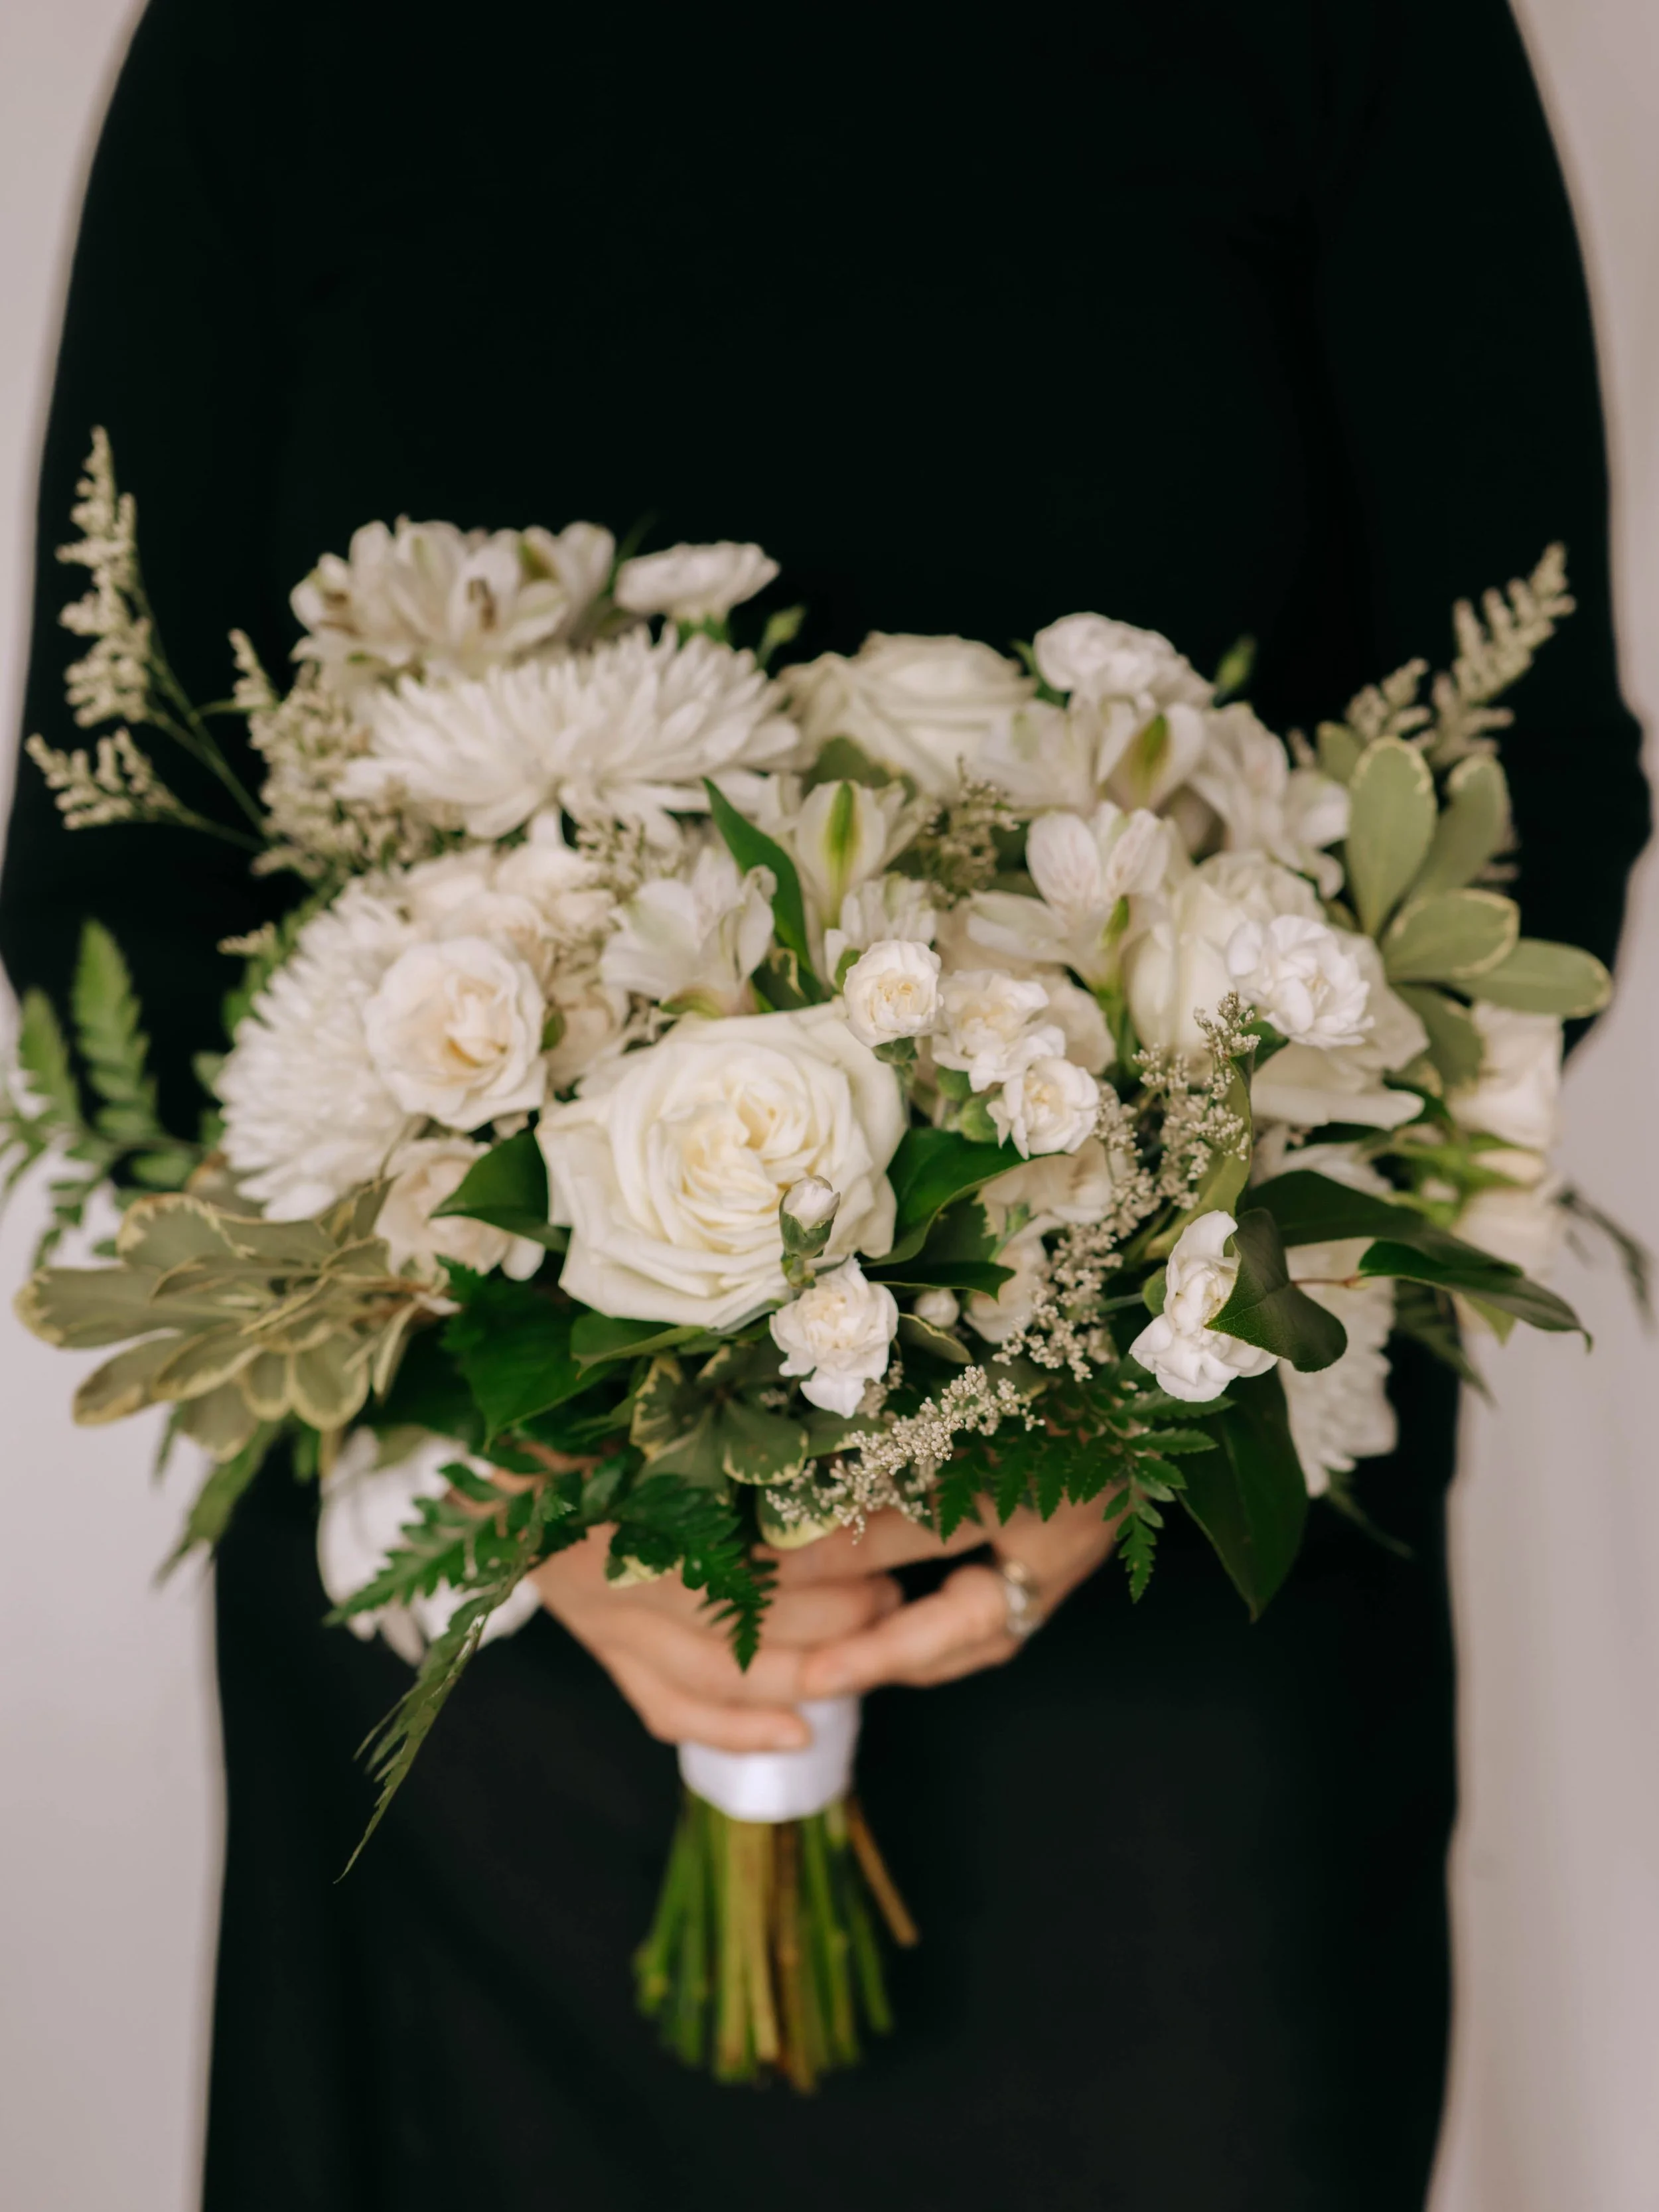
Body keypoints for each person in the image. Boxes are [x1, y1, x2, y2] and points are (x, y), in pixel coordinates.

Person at [3, 2, 1648, 2206]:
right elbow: (111, 871)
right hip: (494, 1663)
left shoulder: (1352, 36)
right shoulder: (272, 48)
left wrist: (1136, 1367)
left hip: (1171, 1655)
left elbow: (1520, 794)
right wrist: (506, 1475)